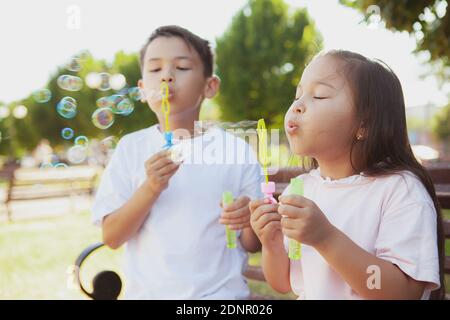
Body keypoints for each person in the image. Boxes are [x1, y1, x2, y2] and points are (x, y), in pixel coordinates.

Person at [250, 50, 445, 299]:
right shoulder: (301, 188)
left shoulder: (399, 190)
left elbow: (403, 292)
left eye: (318, 95)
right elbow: (282, 282)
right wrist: (272, 243)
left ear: (364, 124)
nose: (297, 106)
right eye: (297, 95)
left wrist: (327, 238)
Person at [92, 25, 262, 299]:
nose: (167, 77)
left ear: (210, 86)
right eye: (155, 69)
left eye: (182, 67)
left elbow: (251, 244)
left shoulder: (235, 151)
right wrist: (150, 188)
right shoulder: (131, 149)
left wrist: (248, 219)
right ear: (142, 89)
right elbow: (112, 237)